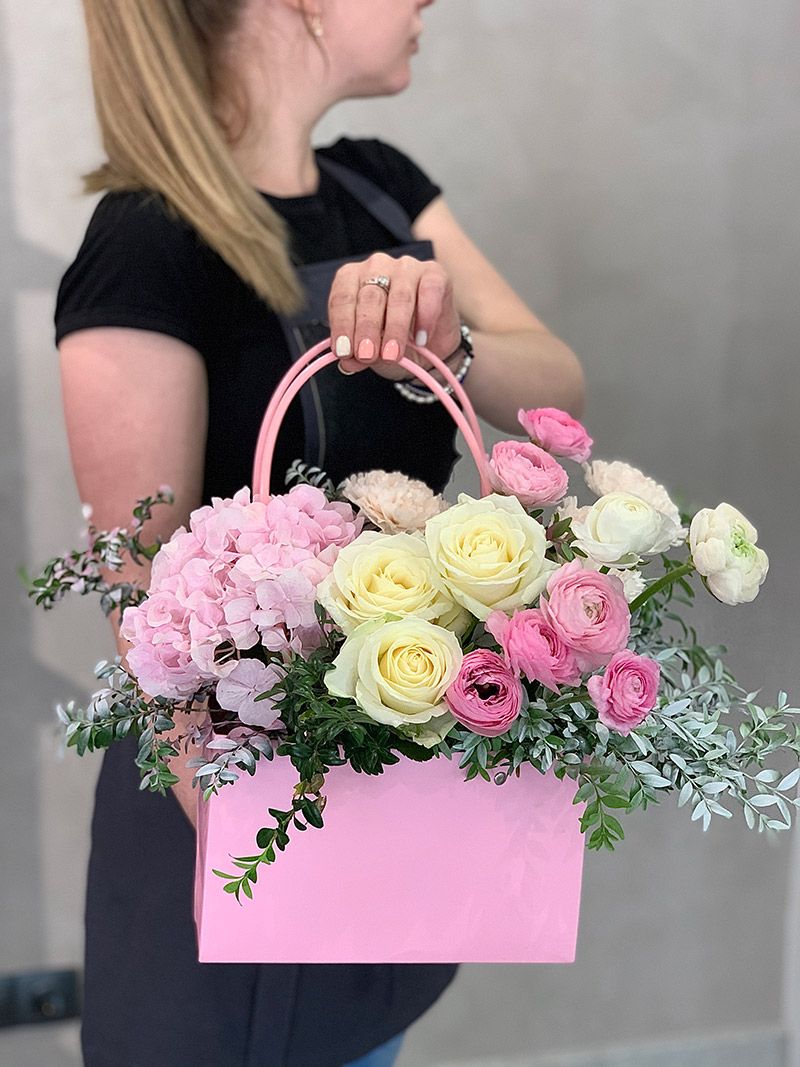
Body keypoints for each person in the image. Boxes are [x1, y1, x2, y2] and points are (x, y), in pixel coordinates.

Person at [54, 1, 587, 1065]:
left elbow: (559, 384)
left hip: (386, 800)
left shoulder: (380, 186)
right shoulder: (145, 241)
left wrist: (449, 343)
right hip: (239, 805)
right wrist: (255, 839)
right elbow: (137, 588)